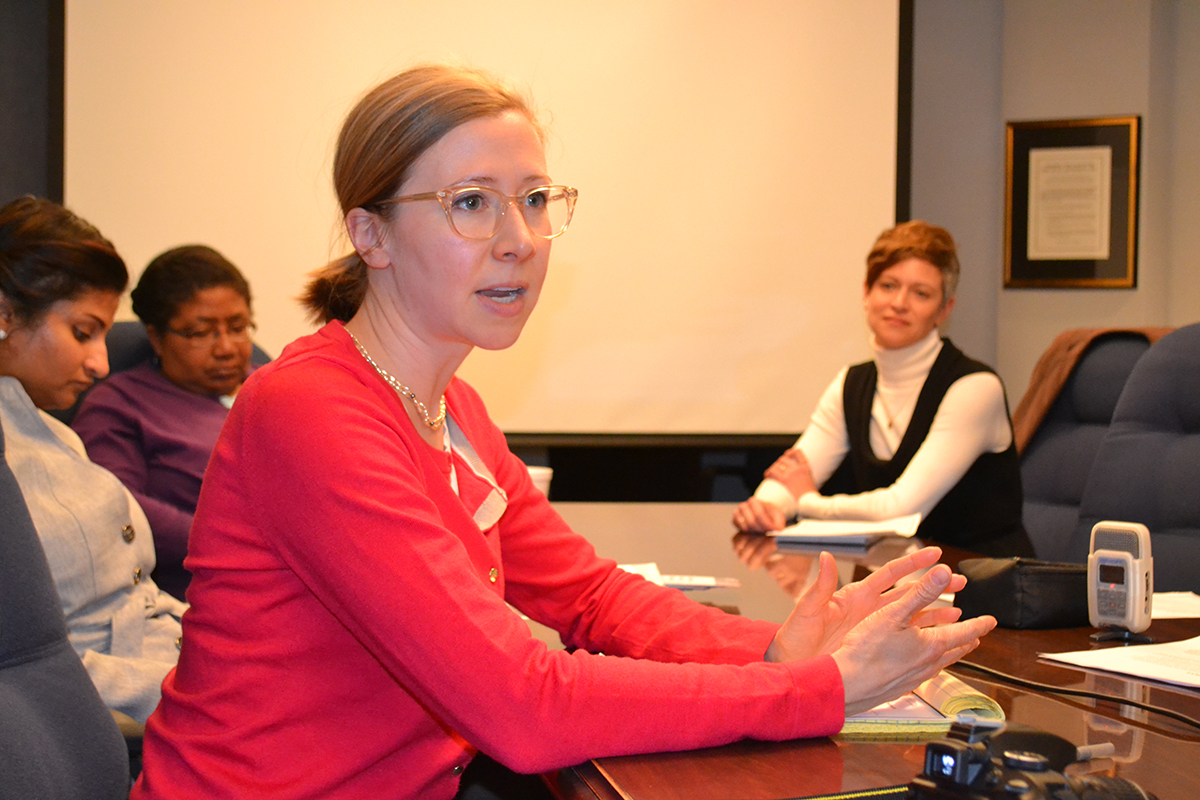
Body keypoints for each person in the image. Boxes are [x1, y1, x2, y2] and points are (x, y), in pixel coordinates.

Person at [131, 66, 994, 800]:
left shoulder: (453, 410)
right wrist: (816, 692)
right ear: (371, 234)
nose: (520, 240)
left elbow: (588, 597)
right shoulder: (309, 411)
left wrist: (770, 647)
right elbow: (521, 702)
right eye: (472, 202)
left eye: (535, 200)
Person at [733, 220, 1034, 558]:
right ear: (866, 293)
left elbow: (901, 510)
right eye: (888, 286)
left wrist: (806, 502)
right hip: (896, 580)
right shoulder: (851, 383)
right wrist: (768, 505)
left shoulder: (976, 388)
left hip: (979, 584)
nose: (899, 303)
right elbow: (793, 473)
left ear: (943, 310)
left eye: (921, 293)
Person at [0, 195, 186, 723]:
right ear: (5, 313)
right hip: (112, 702)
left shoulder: (52, 432)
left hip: (167, 651)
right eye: (83, 332)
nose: (101, 363)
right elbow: (37, 667)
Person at [71, 245, 256, 600]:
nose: (227, 348)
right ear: (156, 338)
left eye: (238, 327)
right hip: (206, 590)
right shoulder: (117, 406)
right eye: (202, 333)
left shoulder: (273, 384)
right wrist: (234, 544)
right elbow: (117, 506)